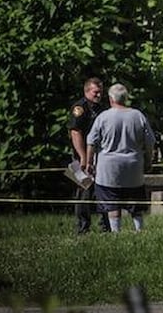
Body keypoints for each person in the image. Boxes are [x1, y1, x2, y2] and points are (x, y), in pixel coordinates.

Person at [86, 83, 155, 232]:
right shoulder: (138, 115)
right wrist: (148, 161)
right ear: (126, 98)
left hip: (108, 170)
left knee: (112, 203)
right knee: (135, 203)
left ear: (111, 99)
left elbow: (91, 142)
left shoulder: (103, 117)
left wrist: (89, 163)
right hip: (133, 169)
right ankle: (140, 231)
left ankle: (116, 233)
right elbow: (150, 142)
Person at [67, 77, 110, 234]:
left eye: (101, 92)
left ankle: (106, 227)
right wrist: (83, 157)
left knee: (103, 190)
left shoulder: (102, 108)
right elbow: (75, 132)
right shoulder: (79, 108)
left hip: (100, 156)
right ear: (86, 91)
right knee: (84, 191)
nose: (99, 95)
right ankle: (82, 228)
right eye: (95, 92)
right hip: (80, 157)